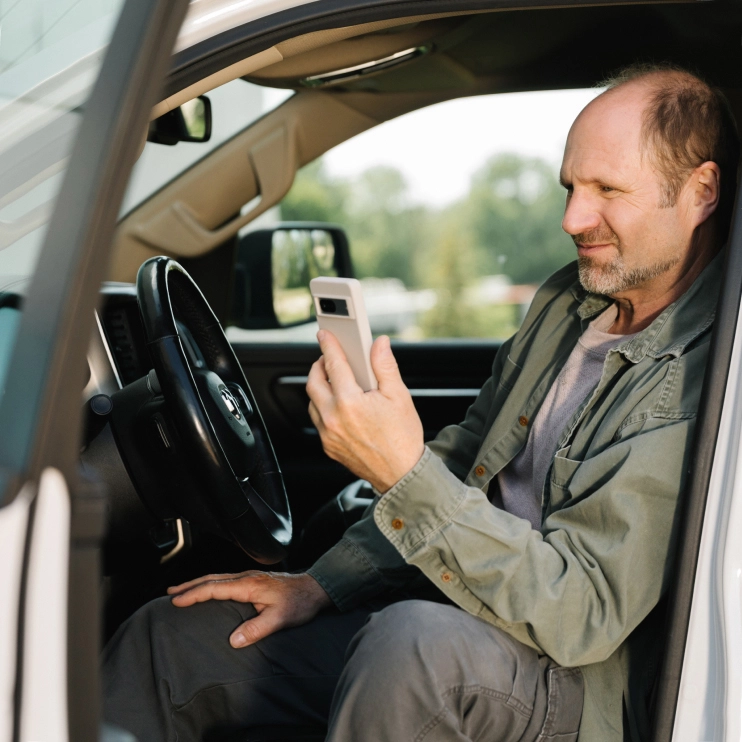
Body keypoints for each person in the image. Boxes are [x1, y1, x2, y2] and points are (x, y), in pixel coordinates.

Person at [103, 63, 739, 742]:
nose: (572, 218)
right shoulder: (567, 301)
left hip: (576, 683)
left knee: (412, 647)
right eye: (570, 187)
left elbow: (580, 615)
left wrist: (402, 471)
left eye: (607, 189)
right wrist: (319, 586)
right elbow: (469, 453)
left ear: (700, 193)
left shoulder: (713, 369)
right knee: (167, 639)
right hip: (456, 607)